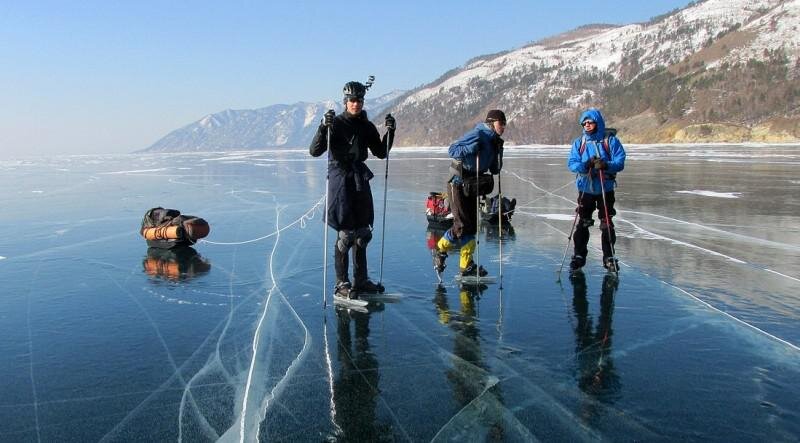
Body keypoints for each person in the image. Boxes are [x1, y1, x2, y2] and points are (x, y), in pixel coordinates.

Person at [310, 81, 396, 299]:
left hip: (359, 179)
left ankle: (361, 281)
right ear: (345, 102)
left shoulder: (366, 126)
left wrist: (390, 132)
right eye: (352, 100)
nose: (356, 104)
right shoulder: (335, 124)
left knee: (362, 234)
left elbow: (380, 152)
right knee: (346, 235)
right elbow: (314, 151)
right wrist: (322, 127)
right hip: (340, 180)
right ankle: (342, 284)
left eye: (359, 100)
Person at [432, 110, 505, 278]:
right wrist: (471, 147)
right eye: (501, 123)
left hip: (472, 185)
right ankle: (440, 250)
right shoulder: (478, 134)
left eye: (504, 124)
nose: (503, 127)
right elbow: (453, 150)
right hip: (457, 182)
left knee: (471, 227)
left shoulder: (495, 141)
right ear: (492, 122)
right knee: (461, 226)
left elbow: (494, 169)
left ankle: (466, 265)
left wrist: (499, 152)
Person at [567, 108, 626, 272]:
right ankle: (579, 255)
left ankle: (609, 256)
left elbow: (620, 161)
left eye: (590, 122)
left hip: (605, 189)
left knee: (607, 223)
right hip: (585, 189)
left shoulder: (611, 141)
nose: (587, 125)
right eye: (584, 123)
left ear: (597, 123)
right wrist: (585, 166)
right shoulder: (579, 143)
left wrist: (606, 165)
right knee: (583, 223)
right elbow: (572, 163)